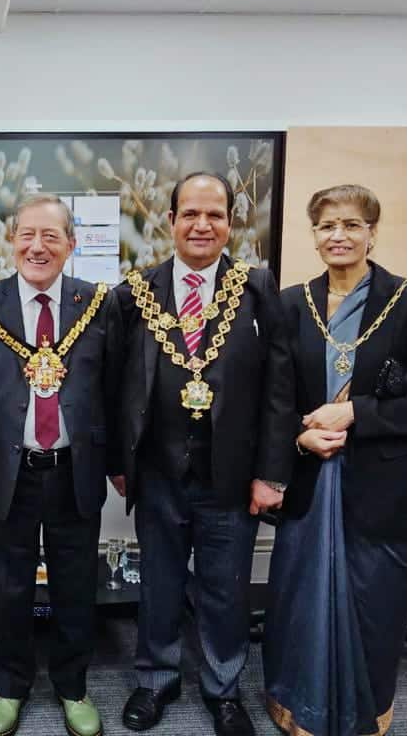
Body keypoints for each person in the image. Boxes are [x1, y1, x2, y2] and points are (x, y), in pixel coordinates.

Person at [263, 184, 407, 736]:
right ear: (313, 235)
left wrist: (357, 415)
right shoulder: (290, 303)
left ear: (373, 232)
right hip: (310, 482)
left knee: (374, 607)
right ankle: (293, 706)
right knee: (297, 602)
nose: (339, 236)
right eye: (327, 226)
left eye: (352, 225)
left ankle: (364, 712)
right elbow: (274, 397)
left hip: (385, 485)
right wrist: (297, 442)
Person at [112, 172, 295, 736]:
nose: (202, 224)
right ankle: (155, 681)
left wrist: (272, 473)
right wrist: (121, 462)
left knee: (226, 587)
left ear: (230, 225)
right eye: (190, 213)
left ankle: (223, 689)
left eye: (214, 215)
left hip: (231, 476)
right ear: (170, 222)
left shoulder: (258, 288)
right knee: (159, 584)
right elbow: (117, 384)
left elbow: (279, 388)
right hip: (160, 472)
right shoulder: (135, 292)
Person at [0, 193, 123, 736]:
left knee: (77, 583)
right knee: (7, 585)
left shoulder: (98, 305)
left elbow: (113, 386)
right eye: (28, 234)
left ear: (71, 244)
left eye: (51, 236)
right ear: (12, 240)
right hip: (12, 472)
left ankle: (73, 686)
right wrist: (14, 426)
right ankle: (9, 684)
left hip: (75, 468)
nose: (38, 246)